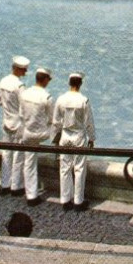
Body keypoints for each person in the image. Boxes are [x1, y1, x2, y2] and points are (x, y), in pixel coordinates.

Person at [52, 72, 95, 212]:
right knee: (79, 169)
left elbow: (56, 122)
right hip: (79, 136)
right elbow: (89, 122)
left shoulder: (61, 99)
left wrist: (55, 137)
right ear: (80, 84)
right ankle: (78, 201)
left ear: (69, 83)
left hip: (65, 135)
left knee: (64, 168)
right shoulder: (84, 100)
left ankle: (65, 200)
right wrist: (92, 138)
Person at [19, 67, 54, 206]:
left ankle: (31, 194)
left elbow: (21, 114)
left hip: (27, 133)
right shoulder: (47, 97)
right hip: (42, 134)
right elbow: (52, 119)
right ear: (45, 80)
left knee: (29, 162)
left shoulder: (25, 93)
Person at [0, 55, 30, 195]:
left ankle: (5, 184)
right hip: (18, 123)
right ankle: (16, 186)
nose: (25, 72)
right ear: (18, 69)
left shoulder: (3, 81)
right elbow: (24, 107)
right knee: (18, 155)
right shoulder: (19, 85)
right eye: (23, 70)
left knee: (6, 153)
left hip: (6, 120)